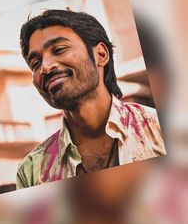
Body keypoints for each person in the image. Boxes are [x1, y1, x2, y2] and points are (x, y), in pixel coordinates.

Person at [16, 9, 166, 188]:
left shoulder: (159, 131)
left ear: (101, 54)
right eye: (35, 63)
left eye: (59, 49)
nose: (45, 67)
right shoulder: (32, 171)